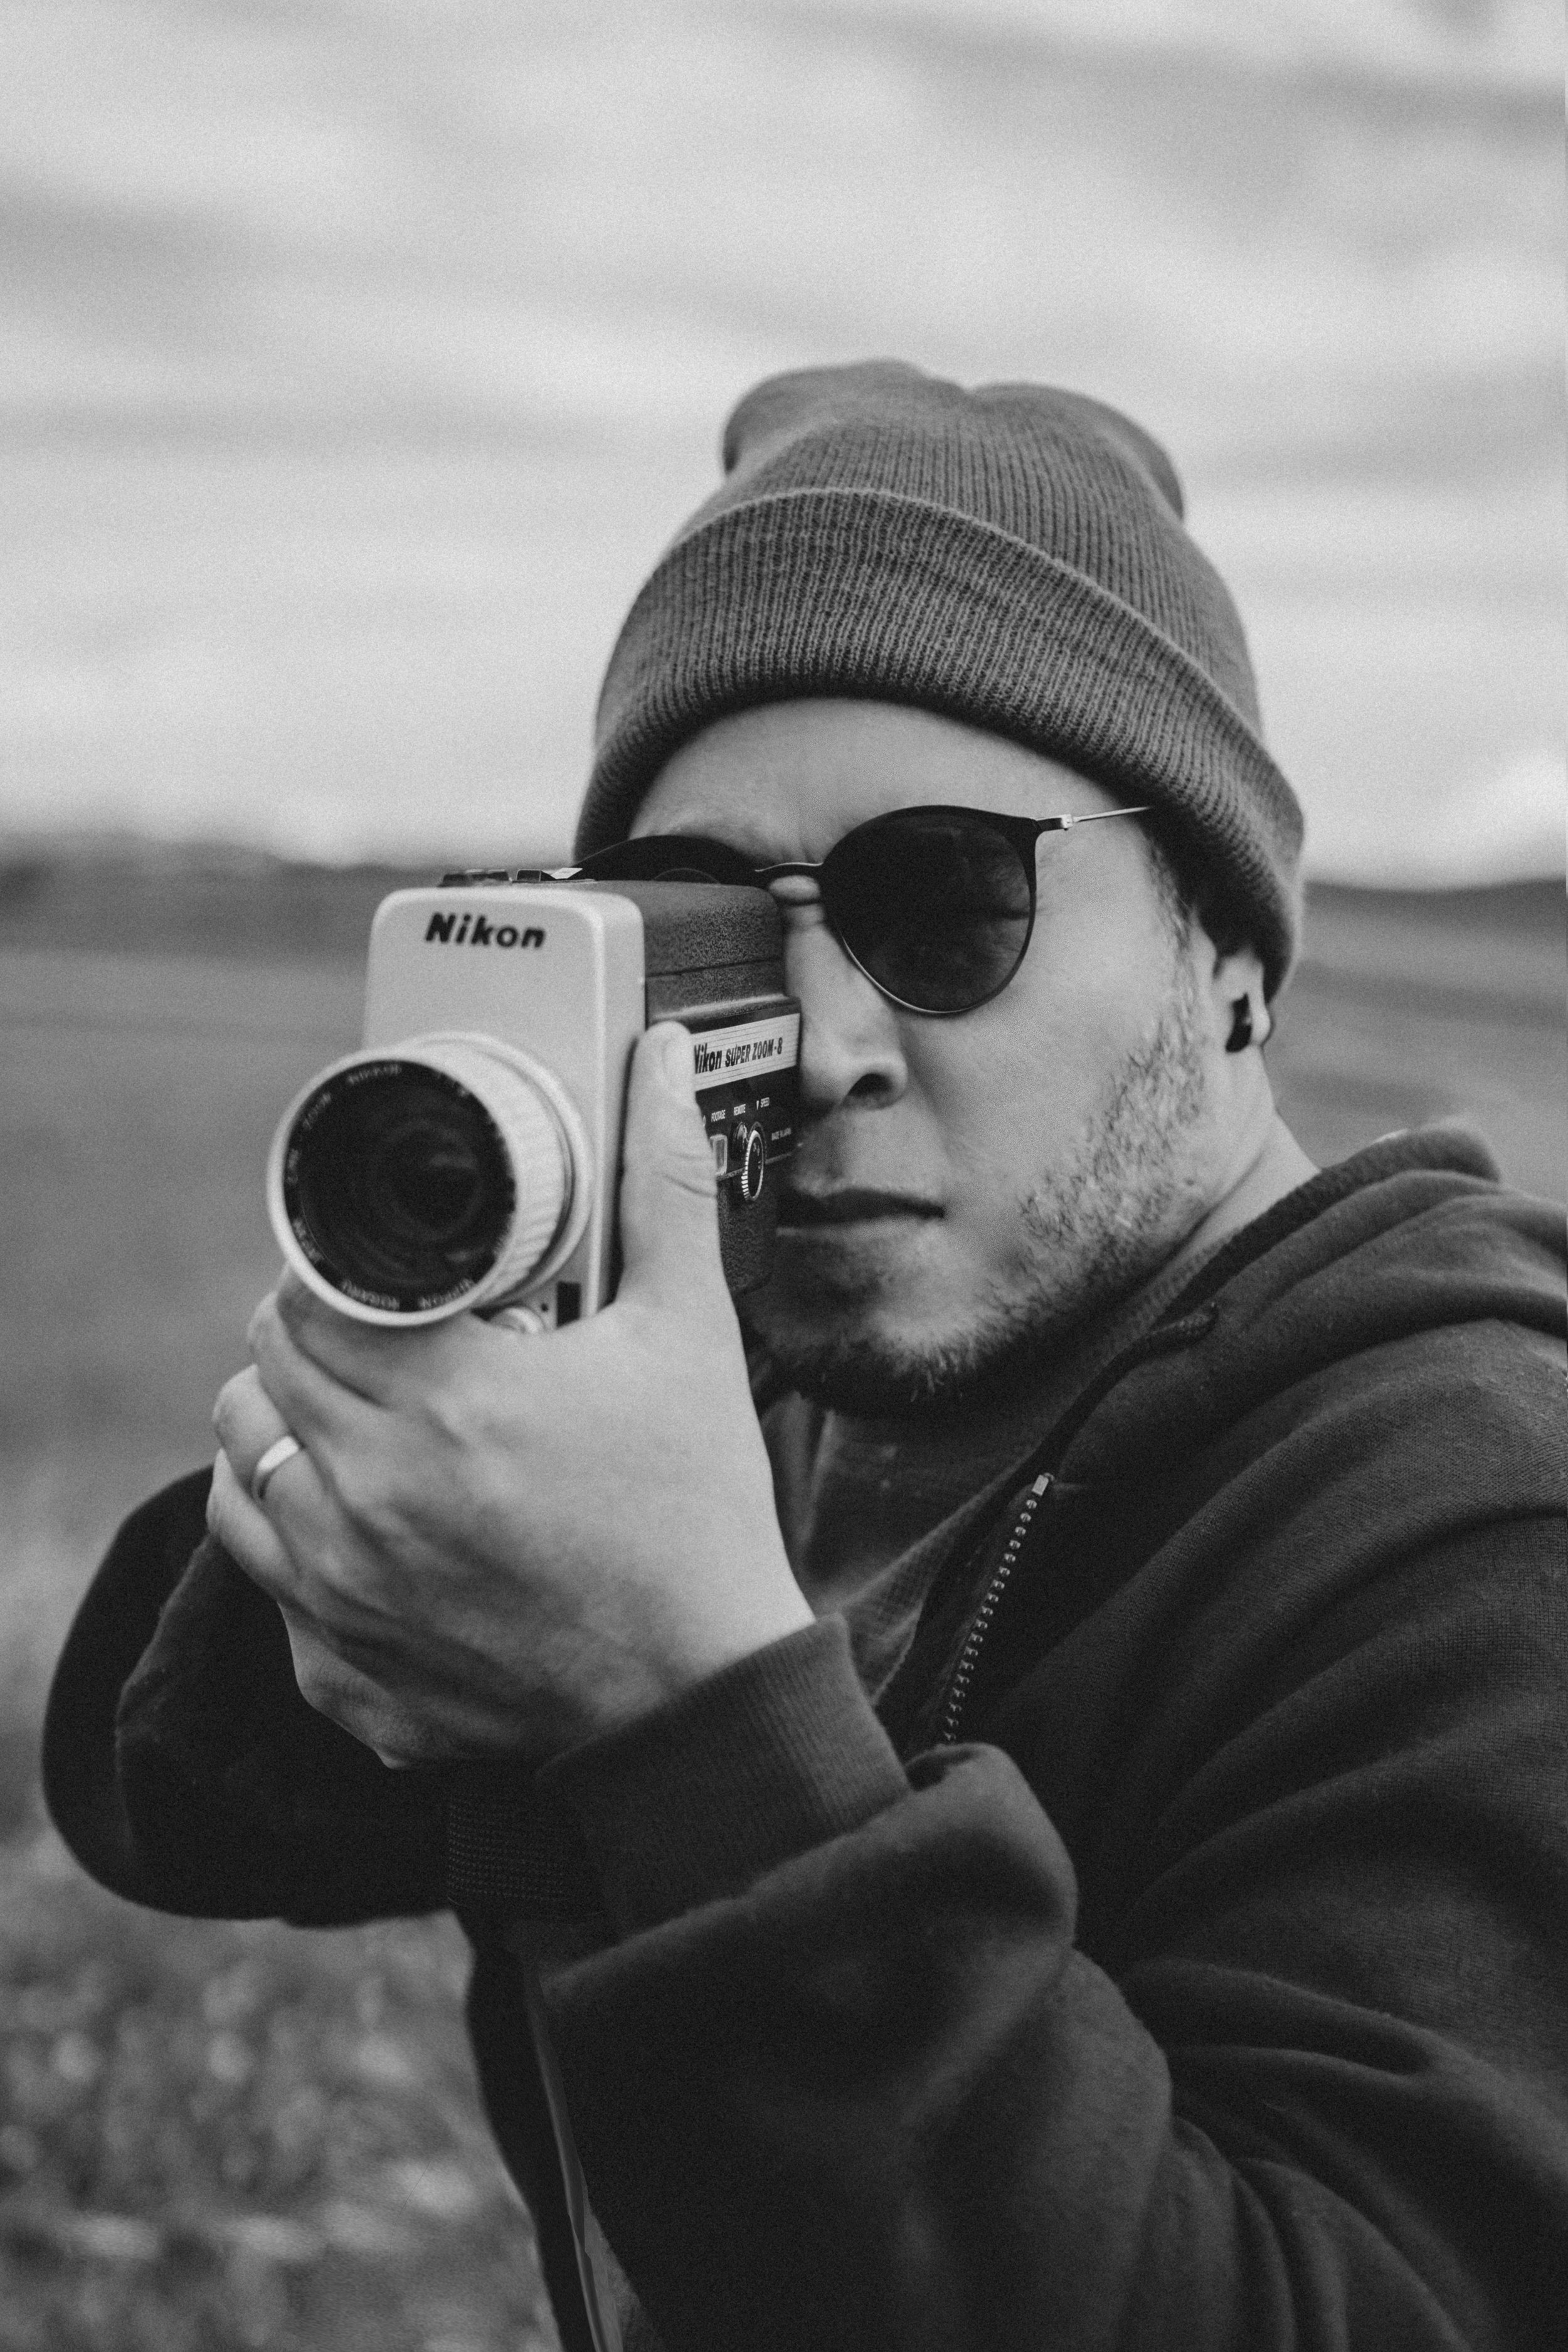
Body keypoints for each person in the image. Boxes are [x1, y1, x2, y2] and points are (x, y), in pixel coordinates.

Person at [44, 364, 1567, 2352]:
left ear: (1228, 957)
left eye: (944, 904)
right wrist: (406, 1453)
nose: (826, 1042)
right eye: (717, 941)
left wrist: (682, 1712)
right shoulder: (755, 1407)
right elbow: (166, 1808)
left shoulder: (1471, 1518)